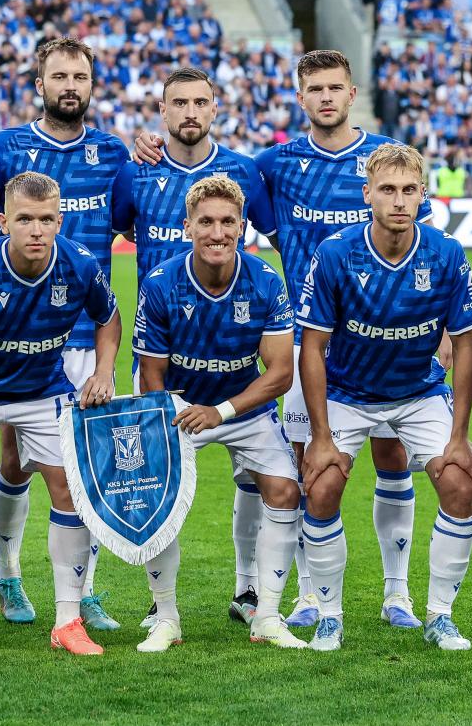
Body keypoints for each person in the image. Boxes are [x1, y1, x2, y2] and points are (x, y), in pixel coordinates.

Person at [137, 49, 441, 633]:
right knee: (305, 467)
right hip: (307, 338)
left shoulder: (385, 160)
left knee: (393, 456)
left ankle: (397, 592)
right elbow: (214, 180)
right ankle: (301, 593)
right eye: (315, 89)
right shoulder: (271, 165)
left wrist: (442, 331)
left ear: (352, 93)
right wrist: (148, 144)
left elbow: (419, 239)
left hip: (385, 338)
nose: (326, 98)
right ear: (300, 98)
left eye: (335, 88)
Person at [0, 172, 121, 659]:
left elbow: (108, 318)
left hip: (42, 389)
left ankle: (68, 621)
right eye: (25, 219)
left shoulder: (79, 263)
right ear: (4, 221)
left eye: (47, 219)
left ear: (60, 220)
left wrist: (104, 371)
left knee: (71, 491)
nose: (36, 230)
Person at [296, 143, 472, 652]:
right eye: (387, 190)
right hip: (348, 392)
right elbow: (312, 347)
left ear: (423, 195)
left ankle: (440, 615)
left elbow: (466, 347)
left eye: (408, 190)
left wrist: (460, 435)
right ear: (367, 195)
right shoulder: (336, 254)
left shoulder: (446, 253)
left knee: (459, 484)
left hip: (419, 391)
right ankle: (329, 616)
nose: (398, 201)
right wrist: (320, 436)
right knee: (322, 487)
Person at [112, 66, 272, 627]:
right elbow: (112, 232)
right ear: (162, 110)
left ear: (215, 107)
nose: (189, 112)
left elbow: (284, 241)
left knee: (255, 476)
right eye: (178, 103)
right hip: (160, 356)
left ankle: (249, 588)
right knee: (158, 479)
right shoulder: (136, 171)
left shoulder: (244, 171)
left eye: (199, 102)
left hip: (235, 353)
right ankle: (161, 605)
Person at [0, 37, 130, 632]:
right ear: (39, 84)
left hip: (87, 336)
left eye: (81, 77)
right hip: (23, 336)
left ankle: (82, 591)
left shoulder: (113, 153)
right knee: (16, 463)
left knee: (83, 474)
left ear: (92, 85)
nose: (71, 86)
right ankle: (7, 574)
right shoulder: (5, 148)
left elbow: (129, 224)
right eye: (60, 76)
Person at [133, 174, 305, 652]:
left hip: (241, 405)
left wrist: (221, 410)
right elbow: (150, 374)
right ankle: (166, 616)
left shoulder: (265, 280)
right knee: (157, 495)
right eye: (206, 222)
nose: (217, 232)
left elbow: (280, 373)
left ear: (242, 226)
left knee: (285, 491)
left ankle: (266, 615)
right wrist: (174, 416)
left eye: (228, 222)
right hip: (177, 404)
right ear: (187, 227)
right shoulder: (161, 283)